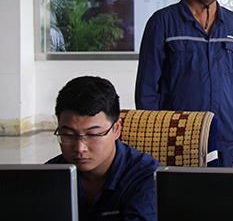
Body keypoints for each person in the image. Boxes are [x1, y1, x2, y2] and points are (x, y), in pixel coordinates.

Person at [135, 0, 233, 167]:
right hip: (177, 135)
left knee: (221, 189)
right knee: (180, 190)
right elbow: (147, 87)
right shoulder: (163, 22)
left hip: (224, 134)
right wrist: (153, 135)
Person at [47, 76, 161, 221]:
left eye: (93, 135)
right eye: (68, 135)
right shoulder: (49, 176)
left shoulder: (146, 178)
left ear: (117, 129)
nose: (80, 148)